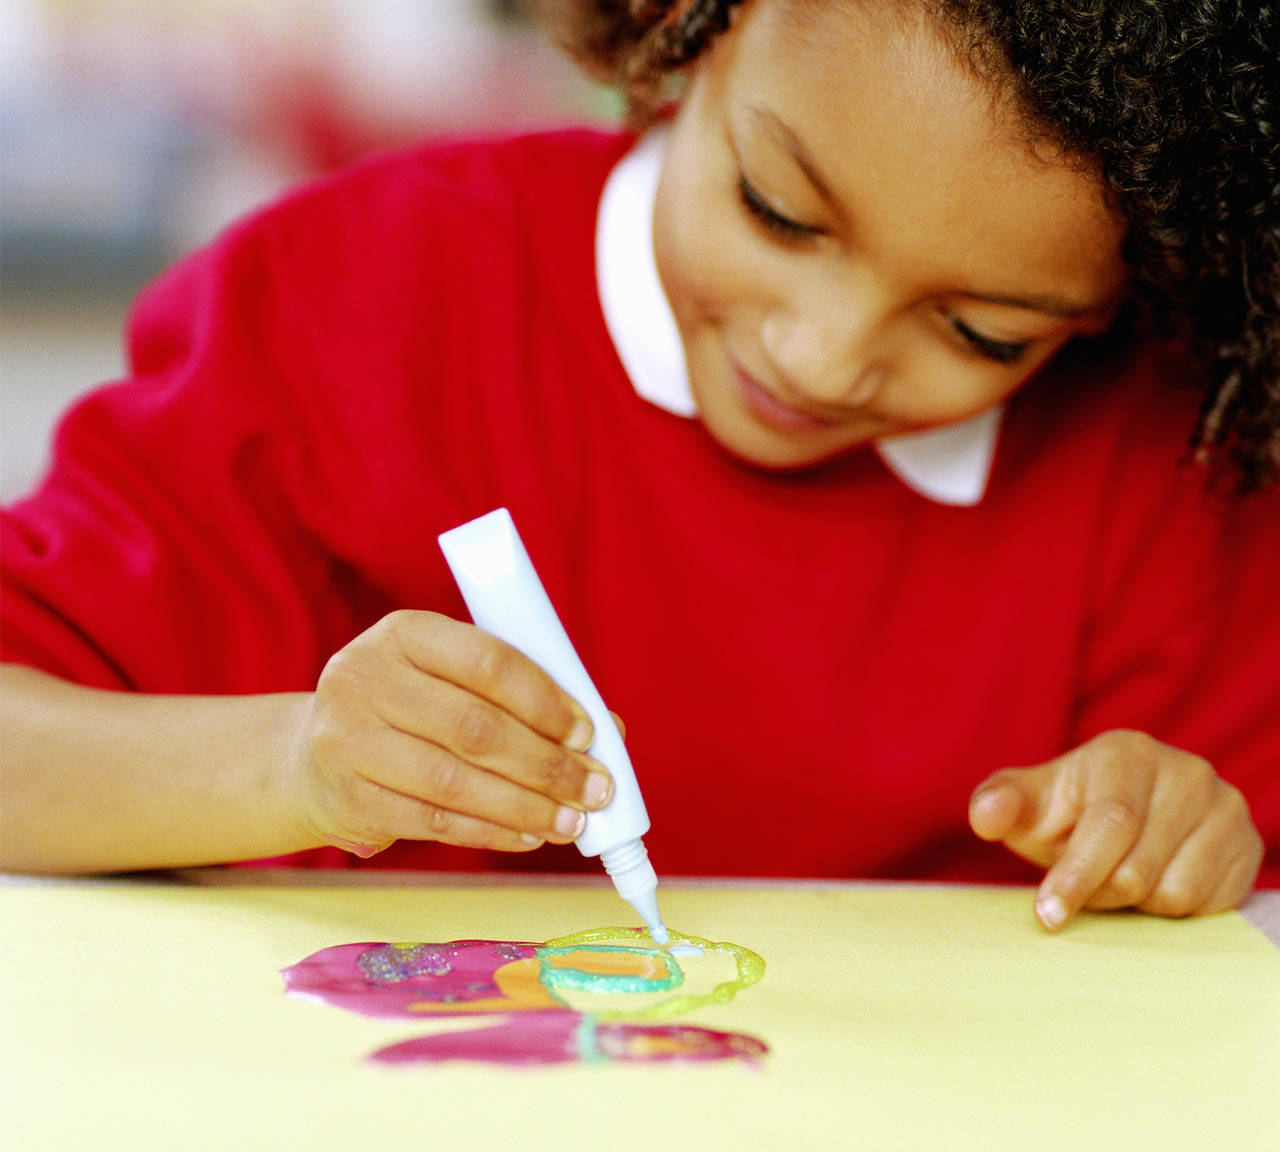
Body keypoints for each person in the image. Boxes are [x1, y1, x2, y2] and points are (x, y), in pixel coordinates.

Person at [2, 0, 1276, 935]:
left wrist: (1178, 839)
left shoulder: (1171, 461)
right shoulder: (354, 300)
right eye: (776, 211)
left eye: (982, 332)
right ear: (689, 27)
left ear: (1125, 293)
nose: (823, 357)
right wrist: (295, 769)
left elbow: (1232, 897)